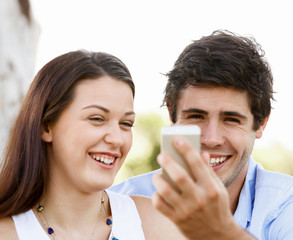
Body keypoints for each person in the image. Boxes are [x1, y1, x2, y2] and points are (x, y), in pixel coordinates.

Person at [110, 30, 293, 239]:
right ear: (172, 115)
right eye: (196, 116)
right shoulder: (118, 203)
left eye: (231, 119)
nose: (211, 138)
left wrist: (220, 230)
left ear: (261, 124)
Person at [0, 50, 185, 240]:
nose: (117, 139)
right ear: (46, 127)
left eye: (126, 124)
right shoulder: (7, 232)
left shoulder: (156, 223)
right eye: (97, 119)